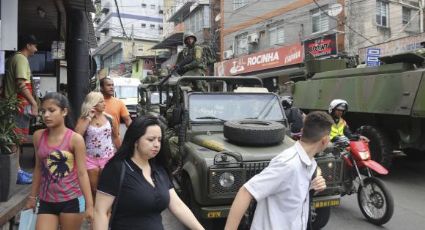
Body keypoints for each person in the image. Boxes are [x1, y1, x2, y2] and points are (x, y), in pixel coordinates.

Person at [225, 111, 333, 230]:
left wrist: (316, 179)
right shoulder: (288, 164)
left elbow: (305, 177)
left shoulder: (309, 162)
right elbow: (245, 192)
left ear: (302, 131)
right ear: (325, 140)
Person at [93, 116, 204, 230]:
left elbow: (177, 206)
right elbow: (100, 212)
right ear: (136, 141)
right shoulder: (116, 168)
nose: (156, 144)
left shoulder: (159, 169)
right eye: (151, 139)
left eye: (159, 140)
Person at [24, 92, 93, 229]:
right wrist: (32, 197)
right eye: (43, 111)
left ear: (64, 111)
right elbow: (38, 168)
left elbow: (82, 173)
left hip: (71, 200)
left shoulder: (75, 139)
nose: (46, 115)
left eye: (52, 110)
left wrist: (90, 206)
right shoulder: (38, 136)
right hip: (45, 200)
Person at [2, 34, 40, 184]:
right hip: (16, 106)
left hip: (11, 105)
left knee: (15, 140)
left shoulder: (13, 58)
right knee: (14, 140)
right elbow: (21, 84)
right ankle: (15, 173)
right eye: (35, 46)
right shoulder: (21, 59)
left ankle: (16, 170)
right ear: (28, 45)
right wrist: (34, 104)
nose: (36, 50)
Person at [75, 92, 120, 200]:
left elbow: (116, 137)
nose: (104, 103)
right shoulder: (84, 119)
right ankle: (95, 212)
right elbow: (77, 135)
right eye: (100, 101)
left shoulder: (110, 118)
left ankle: (107, 212)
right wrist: (88, 117)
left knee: (107, 189)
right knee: (93, 189)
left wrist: (122, 153)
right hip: (90, 159)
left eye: (103, 101)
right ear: (93, 104)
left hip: (108, 157)